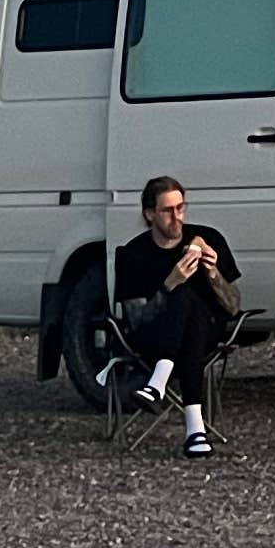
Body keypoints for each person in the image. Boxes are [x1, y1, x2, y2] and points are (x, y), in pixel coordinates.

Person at [111, 177, 242, 455]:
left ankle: (159, 380)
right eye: (167, 211)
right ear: (149, 214)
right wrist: (169, 283)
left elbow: (232, 306)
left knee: (191, 309)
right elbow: (137, 320)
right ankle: (195, 430)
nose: (177, 217)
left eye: (181, 208)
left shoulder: (208, 239)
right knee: (183, 298)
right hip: (153, 337)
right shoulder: (133, 254)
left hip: (206, 334)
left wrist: (213, 273)